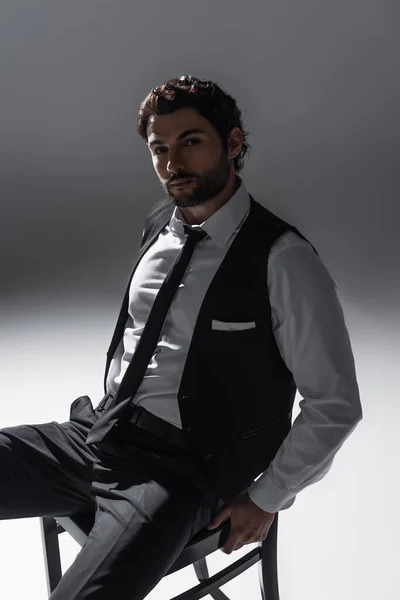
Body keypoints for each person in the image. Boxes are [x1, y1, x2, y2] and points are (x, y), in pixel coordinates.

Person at [0, 75, 363, 600]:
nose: (173, 164)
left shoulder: (283, 260)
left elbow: (336, 403)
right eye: (159, 148)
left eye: (191, 142)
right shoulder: (159, 226)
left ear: (233, 144)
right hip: (99, 436)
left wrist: (267, 497)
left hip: (177, 476)